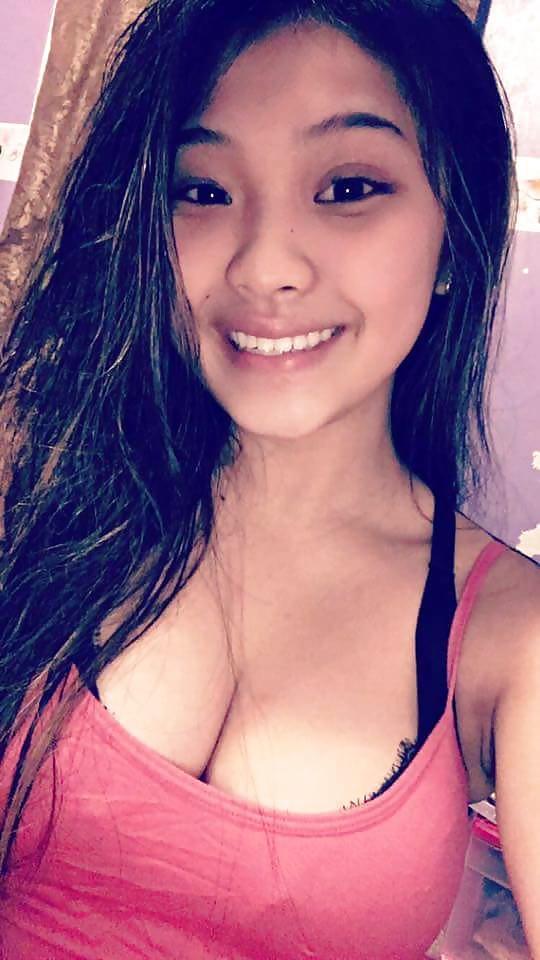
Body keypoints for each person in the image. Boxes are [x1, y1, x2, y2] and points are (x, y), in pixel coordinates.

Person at [0, 0, 538, 957]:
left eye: (347, 187)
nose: (263, 265)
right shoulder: (40, 493)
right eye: (204, 190)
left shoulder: (507, 636)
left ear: (454, 240)